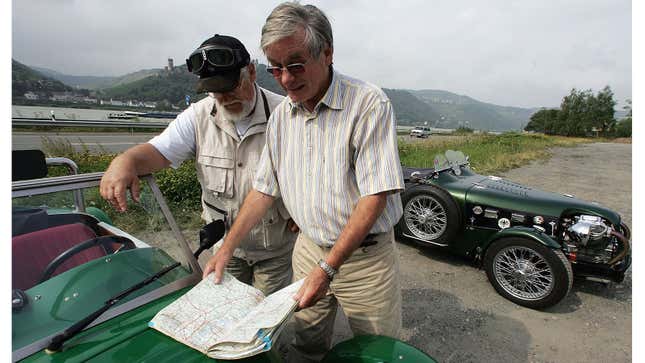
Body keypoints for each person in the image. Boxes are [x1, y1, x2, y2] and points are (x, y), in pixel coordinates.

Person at [202, 3, 405, 362]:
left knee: (377, 350)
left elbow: (374, 196)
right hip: (309, 249)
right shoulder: (282, 116)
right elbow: (264, 189)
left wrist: (328, 270)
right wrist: (226, 247)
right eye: (275, 69)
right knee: (306, 338)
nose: (285, 79)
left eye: (295, 66)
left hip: (365, 260)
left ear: (327, 52)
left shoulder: (368, 104)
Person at [100, 34, 296, 296]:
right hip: (226, 245)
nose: (224, 98)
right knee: (225, 314)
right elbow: (158, 151)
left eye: (231, 86)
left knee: (268, 324)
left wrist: (304, 208)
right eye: (216, 91)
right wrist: (125, 161)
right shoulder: (198, 117)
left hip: (275, 249)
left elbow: (313, 170)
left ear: (251, 71)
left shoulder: (286, 114)